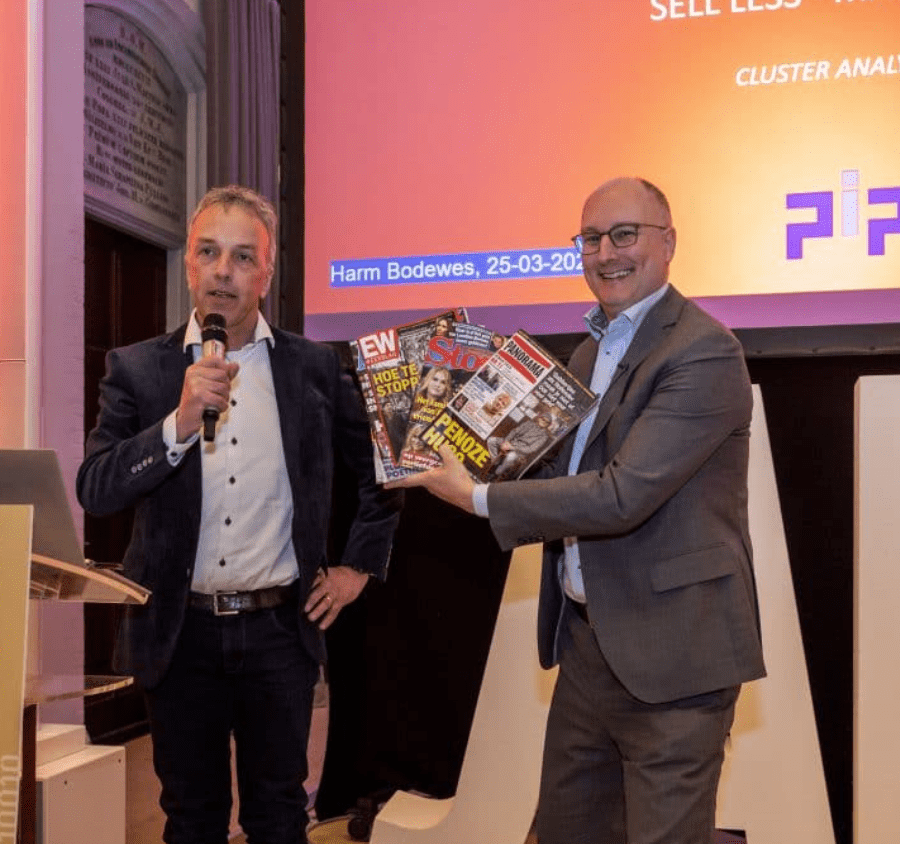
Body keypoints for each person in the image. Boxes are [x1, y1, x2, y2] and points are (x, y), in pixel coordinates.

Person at [389, 177, 765, 844]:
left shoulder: (703, 350)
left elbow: (621, 496)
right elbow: (563, 473)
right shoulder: (591, 349)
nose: (606, 252)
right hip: (590, 648)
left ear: (668, 242)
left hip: (675, 657)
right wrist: (453, 430)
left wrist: (475, 496)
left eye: (624, 234)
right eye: (591, 239)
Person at [77, 185, 402, 844]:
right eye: (208, 252)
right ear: (188, 266)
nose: (223, 271)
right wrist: (178, 424)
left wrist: (357, 568)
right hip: (179, 635)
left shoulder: (314, 368)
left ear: (266, 274)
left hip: (279, 631)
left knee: (277, 816)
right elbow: (97, 488)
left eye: (243, 256)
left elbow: (380, 470)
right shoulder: (138, 370)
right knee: (190, 817)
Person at [486, 412, 553, 480]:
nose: (544, 422)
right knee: (491, 440)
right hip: (511, 442)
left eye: (547, 422)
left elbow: (531, 449)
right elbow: (514, 431)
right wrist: (506, 442)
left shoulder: (544, 436)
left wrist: (512, 447)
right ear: (539, 418)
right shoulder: (529, 423)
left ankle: (496, 473)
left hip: (520, 452)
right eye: (543, 419)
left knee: (511, 456)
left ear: (548, 425)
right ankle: (496, 461)